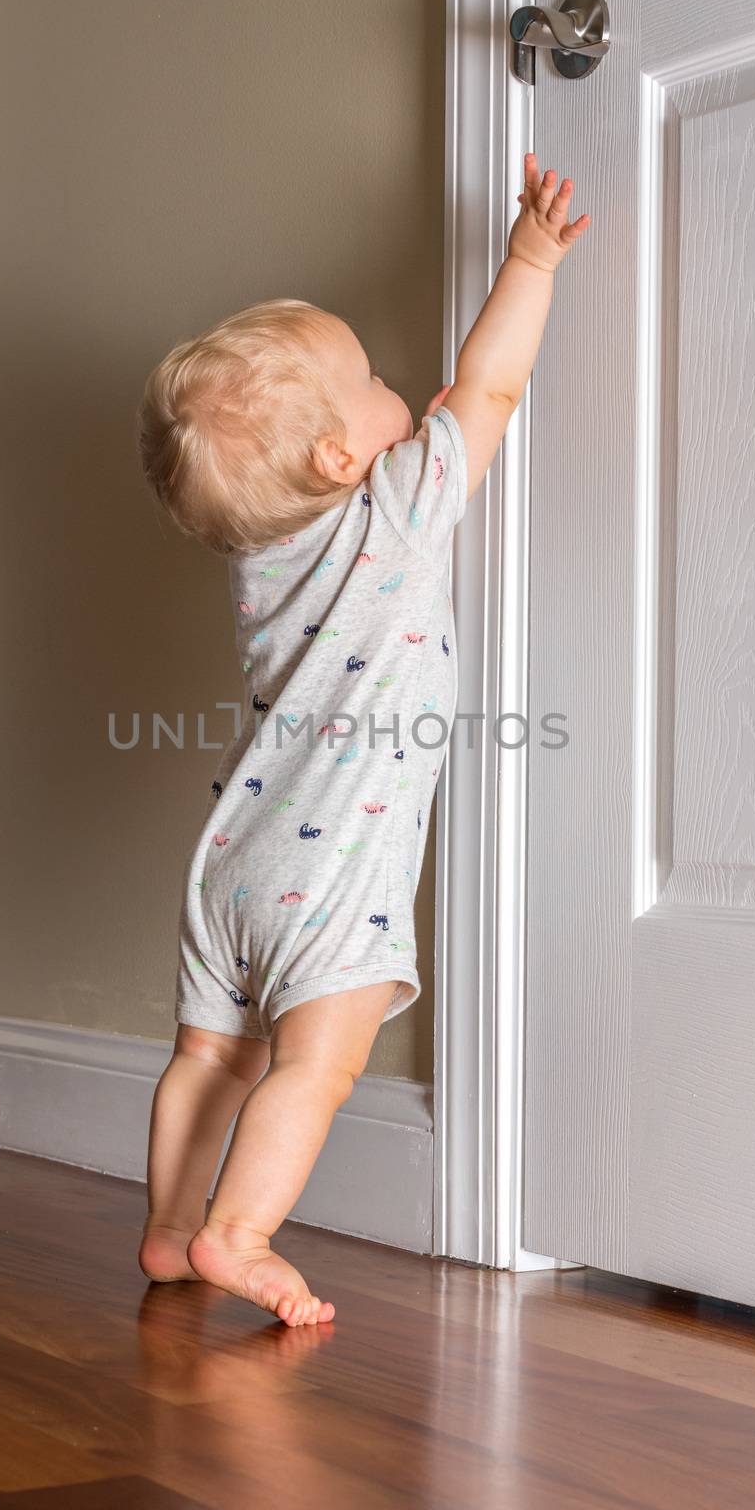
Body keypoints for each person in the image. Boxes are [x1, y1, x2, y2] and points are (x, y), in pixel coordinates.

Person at [133, 153, 589, 1325]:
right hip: (329, 869)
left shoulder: (256, 552)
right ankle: (241, 1232)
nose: (404, 393)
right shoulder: (392, 508)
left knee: (210, 1055)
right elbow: (485, 391)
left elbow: (423, 409)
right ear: (343, 460)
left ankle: (172, 1230)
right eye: (375, 380)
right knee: (313, 1067)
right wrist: (528, 259)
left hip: (229, 860)